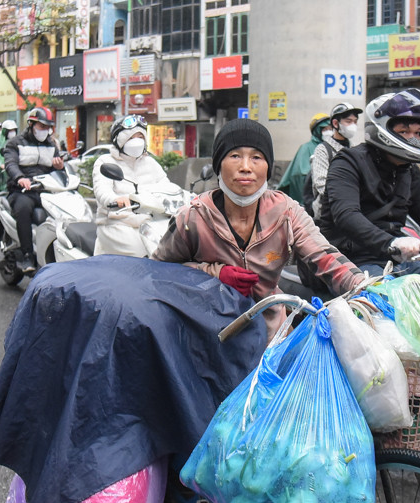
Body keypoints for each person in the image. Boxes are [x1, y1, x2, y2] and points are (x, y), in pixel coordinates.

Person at [153, 118, 366, 341]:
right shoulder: (193, 217)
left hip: (272, 337)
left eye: (256, 157)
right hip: (209, 336)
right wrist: (215, 274)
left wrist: (362, 286)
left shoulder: (286, 212)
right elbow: (157, 271)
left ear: (268, 167)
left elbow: (325, 257)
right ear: (219, 165)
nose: (246, 167)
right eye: (235, 156)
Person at [318, 88, 420, 278]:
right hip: (352, 260)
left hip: (397, 259)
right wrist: (392, 243)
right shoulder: (348, 162)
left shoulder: (409, 170)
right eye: (404, 131)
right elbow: (347, 216)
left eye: (417, 132)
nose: (413, 138)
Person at [92, 115, 169, 256]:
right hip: (116, 223)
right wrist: (115, 200)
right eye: (131, 137)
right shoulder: (105, 161)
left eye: (140, 137)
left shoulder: (150, 163)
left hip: (149, 223)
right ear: (119, 140)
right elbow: (101, 190)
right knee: (140, 253)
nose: (137, 141)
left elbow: (167, 186)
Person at [3, 107, 66, 274]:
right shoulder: (15, 143)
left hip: (46, 191)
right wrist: (20, 178)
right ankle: (27, 255)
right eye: (42, 126)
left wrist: (60, 167)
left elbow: (59, 170)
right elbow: (10, 163)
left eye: (48, 127)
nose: (45, 130)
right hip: (23, 191)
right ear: (31, 124)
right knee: (23, 209)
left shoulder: (52, 145)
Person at [307, 102, 362, 219]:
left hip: (352, 211)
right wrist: (348, 195)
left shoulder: (355, 149)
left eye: (355, 121)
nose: (353, 125)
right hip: (328, 214)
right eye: (348, 121)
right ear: (335, 123)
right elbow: (321, 184)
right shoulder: (323, 150)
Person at [276, 111, 330, 202]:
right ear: (317, 130)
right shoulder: (306, 148)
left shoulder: (332, 147)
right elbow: (299, 175)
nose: (329, 132)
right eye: (325, 129)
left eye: (330, 129)